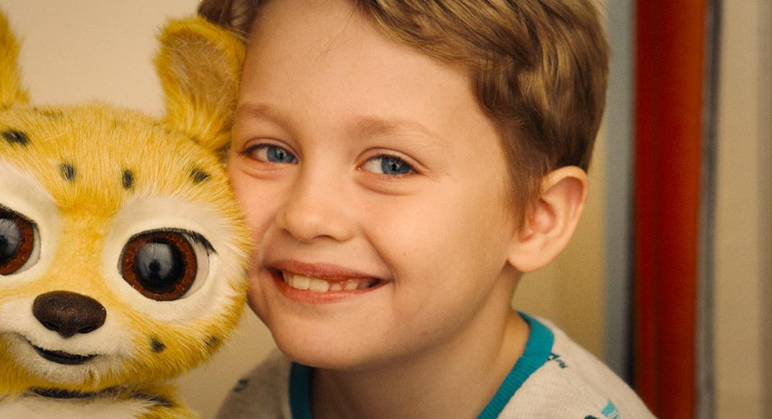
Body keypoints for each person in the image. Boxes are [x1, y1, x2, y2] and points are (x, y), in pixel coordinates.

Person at [200, 0, 654, 417]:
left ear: (536, 219)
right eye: (271, 152)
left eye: (391, 165)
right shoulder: (254, 403)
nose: (305, 217)